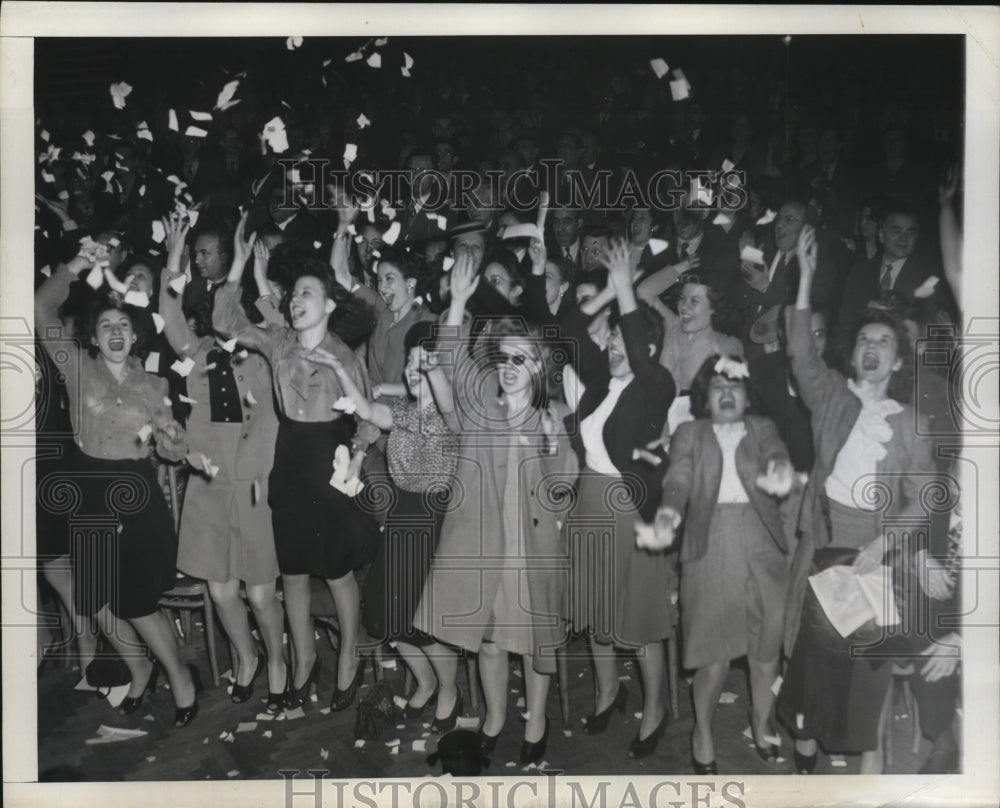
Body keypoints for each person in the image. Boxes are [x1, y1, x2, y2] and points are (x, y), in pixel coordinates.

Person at [776, 224, 937, 774]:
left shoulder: (912, 425)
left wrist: (887, 543)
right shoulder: (831, 397)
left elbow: (925, 498)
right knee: (811, 667)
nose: (871, 348)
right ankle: (804, 758)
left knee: (865, 676)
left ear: (897, 362)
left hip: (876, 558)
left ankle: (865, 775)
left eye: (883, 343)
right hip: (822, 541)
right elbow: (800, 349)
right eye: (865, 341)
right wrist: (804, 277)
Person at [412, 252, 578, 765]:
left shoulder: (551, 415)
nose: (510, 368)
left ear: (538, 365)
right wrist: (458, 301)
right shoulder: (481, 401)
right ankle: (495, 715)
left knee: (533, 641)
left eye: (521, 359)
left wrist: (553, 449)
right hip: (484, 541)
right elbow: (453, 360)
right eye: (503, 357)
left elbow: (563, 489)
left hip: (532, 547)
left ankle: (536, 718)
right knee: (487, 640)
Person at [212, 214, 379, 714]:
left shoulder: (345, 356)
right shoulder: (278, 341)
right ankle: (305, 661)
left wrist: (358, 459)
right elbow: (225, 323)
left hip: (330, 459)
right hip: (288, 460)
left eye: (308, 292)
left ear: (328, 304)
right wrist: (240, 265)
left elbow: (369, 420)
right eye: (295, 294)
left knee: (337, 571)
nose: (297, 299)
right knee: (294, 573)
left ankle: (349, 655)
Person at [35, 248, 200, 727]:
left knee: (136, 604)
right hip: (88, 492)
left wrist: (173, 439)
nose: (114, 332)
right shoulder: (75, 366)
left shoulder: (154, 386)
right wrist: (77, 264)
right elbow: (42, 309)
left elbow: (172, 450)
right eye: (106, 325)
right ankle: (139, 669)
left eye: (123, 326)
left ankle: (181, 680)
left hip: (135, 498)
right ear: (93, 335)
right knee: (98, 599)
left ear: (134, 335)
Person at [159, 215, 287, 713]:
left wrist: (249, 269)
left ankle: (277, 661)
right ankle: (247, 655)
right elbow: (168, 317)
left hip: (257, 486)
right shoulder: (198, 354)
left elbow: (275, 318)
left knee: (260, 595)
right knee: (221, 591)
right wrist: (175, 255)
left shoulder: (267, 348)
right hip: (211, 485)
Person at [650, 354, 793, 773]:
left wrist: (779, 470)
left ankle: (761, 720)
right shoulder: (689, 433)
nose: (727, 393)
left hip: (762, 545)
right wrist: (669, 512)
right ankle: (703, 732)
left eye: (735, 386)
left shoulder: (762, 429)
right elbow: (678, 478)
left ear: (748, 396)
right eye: (717, 386)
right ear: (704, 397)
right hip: (708, 546)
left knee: (766, 650)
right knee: (713, 656)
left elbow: (775, 457)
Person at [563, 239, 677, 759]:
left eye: (621, 342)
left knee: (640, 621)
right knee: (597, 613)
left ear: (647, 350)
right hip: (590, 501)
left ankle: (655, 709)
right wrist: (609, 290)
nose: (612, 349)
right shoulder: (599, 386)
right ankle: (610, 692)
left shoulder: (656, 387)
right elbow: (566, 330)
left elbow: (634, 336)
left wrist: (628, 290)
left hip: (631, 512)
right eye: (608, 341)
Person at [321, 321, 461, 723]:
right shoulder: (400, 411)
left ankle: (449, 689)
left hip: (433, 524)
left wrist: (431, 368)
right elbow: (365, 409)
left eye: (424, 363)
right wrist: (340, 367)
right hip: (401, 519)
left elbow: (448, 406)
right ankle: (427, 683)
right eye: (411, 363)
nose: (412, 370)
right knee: (386, 617)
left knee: (421, 622)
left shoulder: (452, 418)